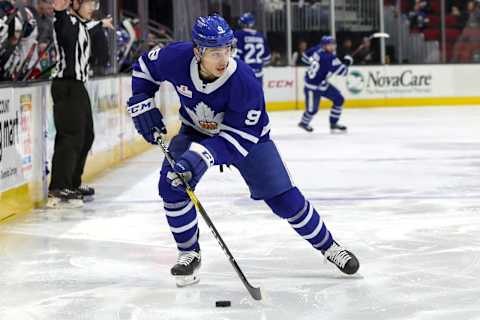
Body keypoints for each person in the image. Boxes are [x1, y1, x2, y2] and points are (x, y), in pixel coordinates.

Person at [127, 15, 359, 287]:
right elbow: (143, 68)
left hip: (249, 139)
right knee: (172, 185)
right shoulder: (174, 57)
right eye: (215, 52)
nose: (223, 58)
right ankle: (189, 253)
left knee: (283, 198)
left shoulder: (244, 81)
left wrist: (203, 156)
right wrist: (142, 99)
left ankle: (330, 247)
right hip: (194, 131)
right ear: (197, 51)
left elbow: (238, 139)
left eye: (227, 49)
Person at [47, 0, 113, 208]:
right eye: (89, 2)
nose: (93, 6)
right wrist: (59, 10)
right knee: (71, 136)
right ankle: (59, 186)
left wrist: (101, 24)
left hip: (78, 86)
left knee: (87, 135)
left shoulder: (83, 23)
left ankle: (72, 183)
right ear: (75, 4)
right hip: (66, 85)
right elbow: (63, 28)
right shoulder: (65, 20)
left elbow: (90, 28)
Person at [298, 36, 352, 133]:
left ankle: (333, 123)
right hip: (312, 88)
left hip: (322, 84)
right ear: (324, 46)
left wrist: (315, 63)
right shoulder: (329, 57)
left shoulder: (316, 49)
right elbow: (343, 72)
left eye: (333, 44)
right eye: (330, 45)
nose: (333, 47)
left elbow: (304, 58)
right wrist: (347, 63)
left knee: (339, 99)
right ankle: (304, 123)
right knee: (312, 110)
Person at [233, 12, 271, 83]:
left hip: (243, 75)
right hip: (259, 75)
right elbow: (267, 59)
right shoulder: (261, 36)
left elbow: (235, 57)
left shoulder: (238, 35)